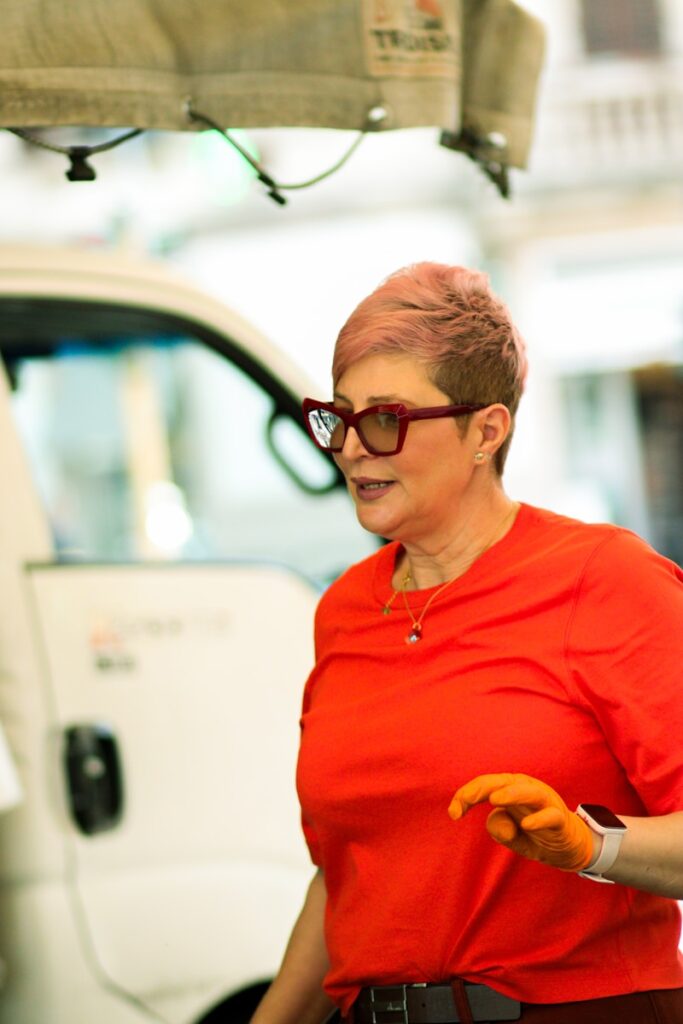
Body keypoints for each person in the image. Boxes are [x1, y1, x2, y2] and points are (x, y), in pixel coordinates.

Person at [250, 263, 683, 1024]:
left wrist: (589, 845)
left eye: (385, 418)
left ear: (485, 431)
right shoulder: (344, 610)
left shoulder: (606, 578)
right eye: (338, 417)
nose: (351, 449)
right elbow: (346, 885)